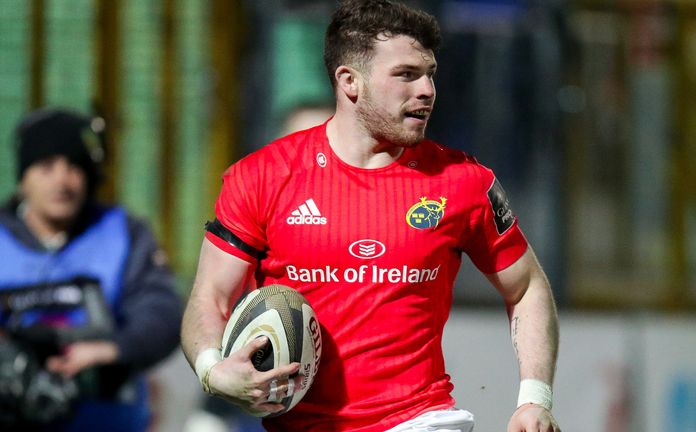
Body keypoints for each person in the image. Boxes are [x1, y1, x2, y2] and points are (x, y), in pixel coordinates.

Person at [181, 1, 560, 431]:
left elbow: (526, 285)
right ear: (350, 82)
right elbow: (210, 297)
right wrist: (213, 370)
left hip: (420, 419)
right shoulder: (262, 177)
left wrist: (534, 398)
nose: (427, 90)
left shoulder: (464, 181)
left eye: (430, 73)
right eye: (406, 75)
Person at [0, 108, 183, 431]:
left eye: (74, 166)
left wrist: (112, 349)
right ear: (23, 178)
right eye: (46, 167)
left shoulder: (124, 233)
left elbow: (163, 312)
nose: (61, 179)